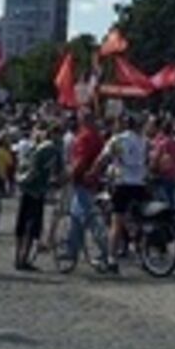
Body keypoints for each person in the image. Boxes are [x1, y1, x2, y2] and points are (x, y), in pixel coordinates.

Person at [97, 115, 151, 274]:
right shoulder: (143, 141)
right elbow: (146, 160)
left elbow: (103, 158)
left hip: (122, 183)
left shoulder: (118, 139)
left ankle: (111, 259)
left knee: (116, 221)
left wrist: (93, 172)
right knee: (137, 221)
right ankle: (142, 255)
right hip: (139, 184)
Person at [63, 111, 108, 268]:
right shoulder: (98, 136)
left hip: (82, 180)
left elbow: (80, 160)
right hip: (93, 180)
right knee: (76, 216)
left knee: (90, 218)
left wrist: (71, 174)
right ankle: (71, 249)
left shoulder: (84, 137)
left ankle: (105, 251)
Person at [14, 126, 60, 271]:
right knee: (31, 227)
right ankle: (23, 259)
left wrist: (20, 180)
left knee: (21, 225)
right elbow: (50, 172)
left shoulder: (35, 147)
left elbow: (24, 166)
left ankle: (18, 258)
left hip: (26, 190)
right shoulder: (52, 150)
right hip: (37, 190)